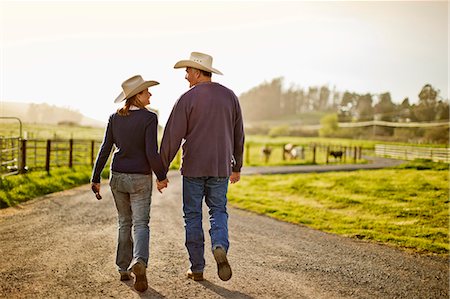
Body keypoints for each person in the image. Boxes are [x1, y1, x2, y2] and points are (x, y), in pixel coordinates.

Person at [158, 52, 245, 282]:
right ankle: (219, 245)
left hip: (194, 167)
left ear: (197, 72)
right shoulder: (230, 97)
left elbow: (171, 137)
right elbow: (239, 135)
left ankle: (197, 268)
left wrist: (161, 170)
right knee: (218, 210)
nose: (186, 76)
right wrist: (237, 166)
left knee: (193, 215)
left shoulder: (187, 99)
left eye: (187, 71)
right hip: (221, 166)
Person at [91, 75, 168, 292]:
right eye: (146, 91)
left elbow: (105, 148)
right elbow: (151, 152)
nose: (150, 94)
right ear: (137, 96)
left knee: (125, 222)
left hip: (117, 176)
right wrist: (161, 176)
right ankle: (140, 262)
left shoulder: (114, 118)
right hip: (140, 177)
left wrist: (95, 177)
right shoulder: (149, 118)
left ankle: (123, 268)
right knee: (141, 224)